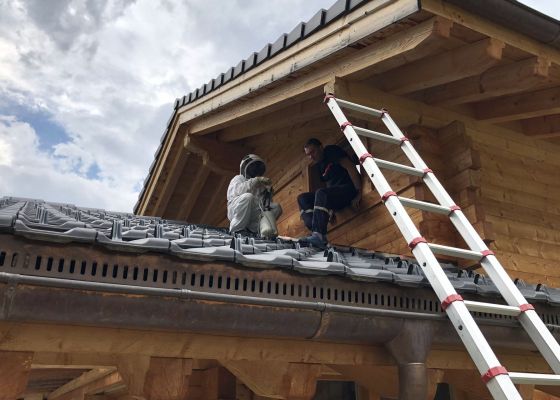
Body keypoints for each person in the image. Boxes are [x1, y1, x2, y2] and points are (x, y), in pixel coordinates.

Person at [297, 138, 361, 248]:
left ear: (321, 147)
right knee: (302, 198)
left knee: (321, 192)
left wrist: (359, 192)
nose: (311, 156)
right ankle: (315, 232)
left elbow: (350, 167)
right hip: (337, 197)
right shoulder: (320, 166)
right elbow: (329, 188)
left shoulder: (331, 151)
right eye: (308, 155)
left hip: (348, 190)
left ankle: (318, 235)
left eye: (313, 152)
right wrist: (330, 209)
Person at [227, 154, 282, 236]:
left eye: (256, 167)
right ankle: (237, 230)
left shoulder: (260, 186)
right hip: (236, 209)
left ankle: (258, 230)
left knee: (276, 207)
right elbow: (237, 191)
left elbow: (264, 205)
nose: (254, 170)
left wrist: (268, 193)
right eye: (252, 167)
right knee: (248, 197)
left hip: (252, 213)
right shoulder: (238, 178)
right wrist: (255, 181)